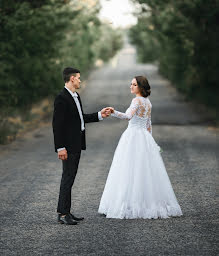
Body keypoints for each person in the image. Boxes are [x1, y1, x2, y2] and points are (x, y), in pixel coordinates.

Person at [98, 76, 183, 219]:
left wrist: (113, 112)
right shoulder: (148, 102)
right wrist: (151, 141)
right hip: (144, 136)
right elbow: (149, 124)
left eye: (134, 85)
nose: (131, 86)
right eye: (130, 84)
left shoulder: (136, 100)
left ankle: (128, 204)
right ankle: (145, 203)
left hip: (132, 136)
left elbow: (127, 116)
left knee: (128, 168)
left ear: (141, 87)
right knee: (144, 170)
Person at [52, 67, 111, 225]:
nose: (80, 80)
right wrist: (60, 148)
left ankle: (65, 212)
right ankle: (63, 214)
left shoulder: (75, 96)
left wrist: (100, 115)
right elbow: (57, 126)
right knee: (67, 178)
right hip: (68, 146)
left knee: (69, 178)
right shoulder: (62, 98)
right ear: (71, 78)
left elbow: (80, 118)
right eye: (78, 78)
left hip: (76, 144)